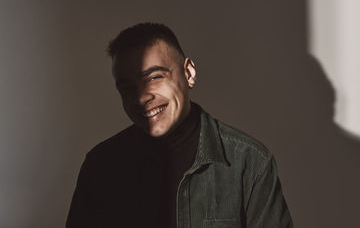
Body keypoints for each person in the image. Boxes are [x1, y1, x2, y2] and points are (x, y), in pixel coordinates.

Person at [66, 23, 293, 228]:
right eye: (127, 87)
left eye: (154, 77)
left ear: (189, 73)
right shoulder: (101, 166)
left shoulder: (249, 162)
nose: (141, 97)